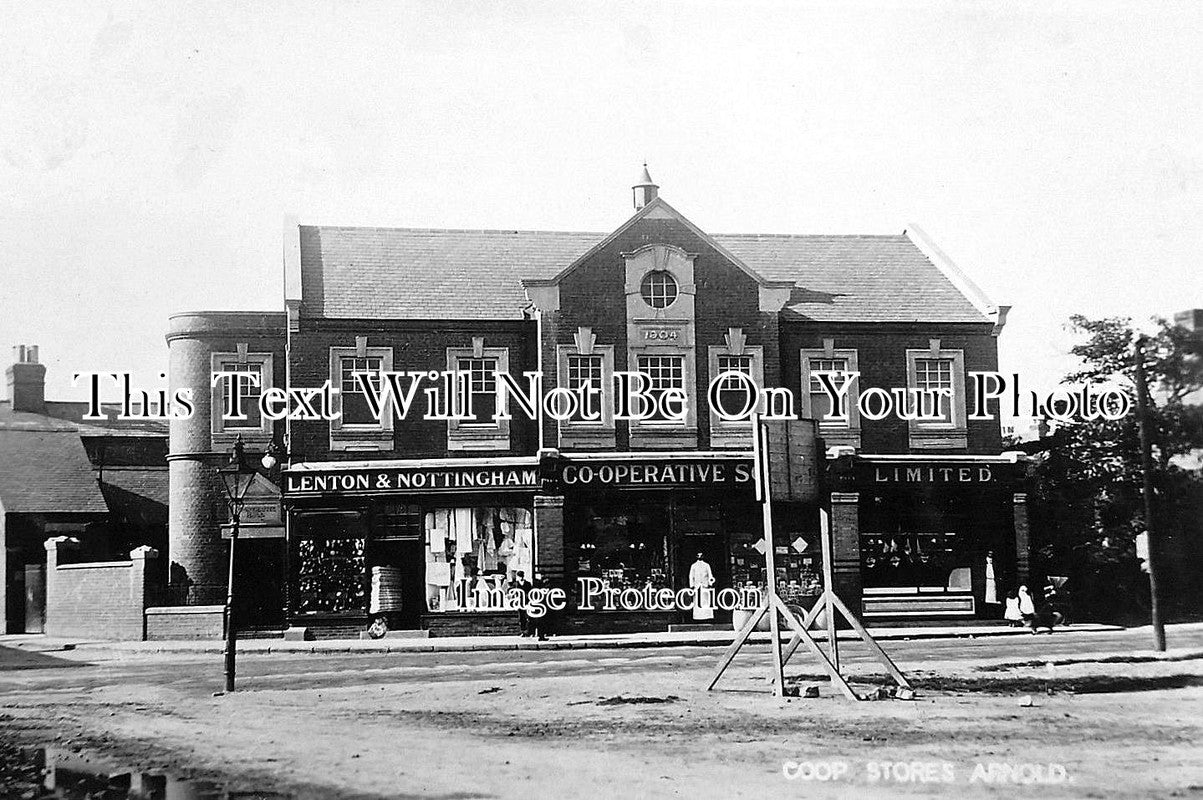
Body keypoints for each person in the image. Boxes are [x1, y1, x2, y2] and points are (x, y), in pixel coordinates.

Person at [689, 553, 716, 622]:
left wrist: (710, 583)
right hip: (697, 586)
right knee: (697, 601)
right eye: (698, 555)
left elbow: (710, 575)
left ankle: (707, 616)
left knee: (706, 602)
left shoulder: (706, 565)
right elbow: (691, 576)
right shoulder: (693, 566)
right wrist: (692, 586)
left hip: (705, 586)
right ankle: (697, 617)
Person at [512, 570, 533, 637]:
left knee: (528, 617)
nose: (520, 578)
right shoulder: (515, 584)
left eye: (521, 576)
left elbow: (530, 592)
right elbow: (513, 593)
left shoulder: (528, 584)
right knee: (521, 618)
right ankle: (523, 631)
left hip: (526, 602)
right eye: (519, 576)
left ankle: (528, 631)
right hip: (519, 602)